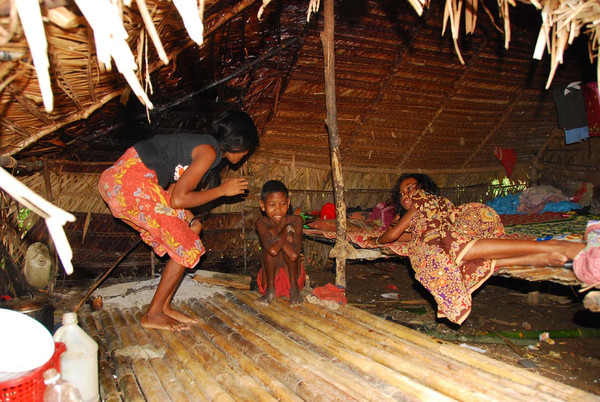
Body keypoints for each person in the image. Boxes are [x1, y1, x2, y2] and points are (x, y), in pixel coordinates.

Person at [98, 110, 259, 331]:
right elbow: (178, 199)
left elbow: (173, 194)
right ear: (240, 144)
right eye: (248, 151)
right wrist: (222, 190)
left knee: (190, 232)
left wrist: (191, 220)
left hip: (123, 181)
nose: (246, 156)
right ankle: (153, 313)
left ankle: (164, 307)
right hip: (130, 181)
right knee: (187, 245)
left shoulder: (203, 148)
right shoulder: (208, 152)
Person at [367, 173, 585, 324]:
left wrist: (377, 239)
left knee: (452, 250)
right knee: (460, 260)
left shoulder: (422, 201)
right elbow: (413, 234)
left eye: (410, 188)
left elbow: (391, 236)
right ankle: (538, 257)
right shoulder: (425, 210)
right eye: (402, 194)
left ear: (424, 189)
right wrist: (402, 228)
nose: (406, 195)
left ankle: (551, 245)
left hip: (456, 228)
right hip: (452, 230)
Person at [255, 180, 305, 307]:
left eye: (282, 204)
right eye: (272, 205)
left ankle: (294, 289)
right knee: (271, 246)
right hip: (270, 276)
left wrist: (277, 232)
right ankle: (270, 290)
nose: (278, 209)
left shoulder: (296, 220)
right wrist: (285, 229)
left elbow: (294, 255)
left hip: (293, 275)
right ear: (262, 205)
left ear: (288, 203)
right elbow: (272, 251)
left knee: (288, 237)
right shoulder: (261, 223)